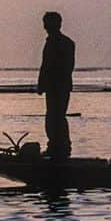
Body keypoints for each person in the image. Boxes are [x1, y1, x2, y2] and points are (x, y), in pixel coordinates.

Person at [36, 11, 75, 160]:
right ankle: (57, 146)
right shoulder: (58, 42)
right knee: (54, 116)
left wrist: (45, 83)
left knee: (56, 117)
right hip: (57, 85)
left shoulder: (62, 43)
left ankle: (60, 147)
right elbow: (45, 65)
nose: (45, 26)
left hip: (58, 86)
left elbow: (57, 66)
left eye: (47, 23)